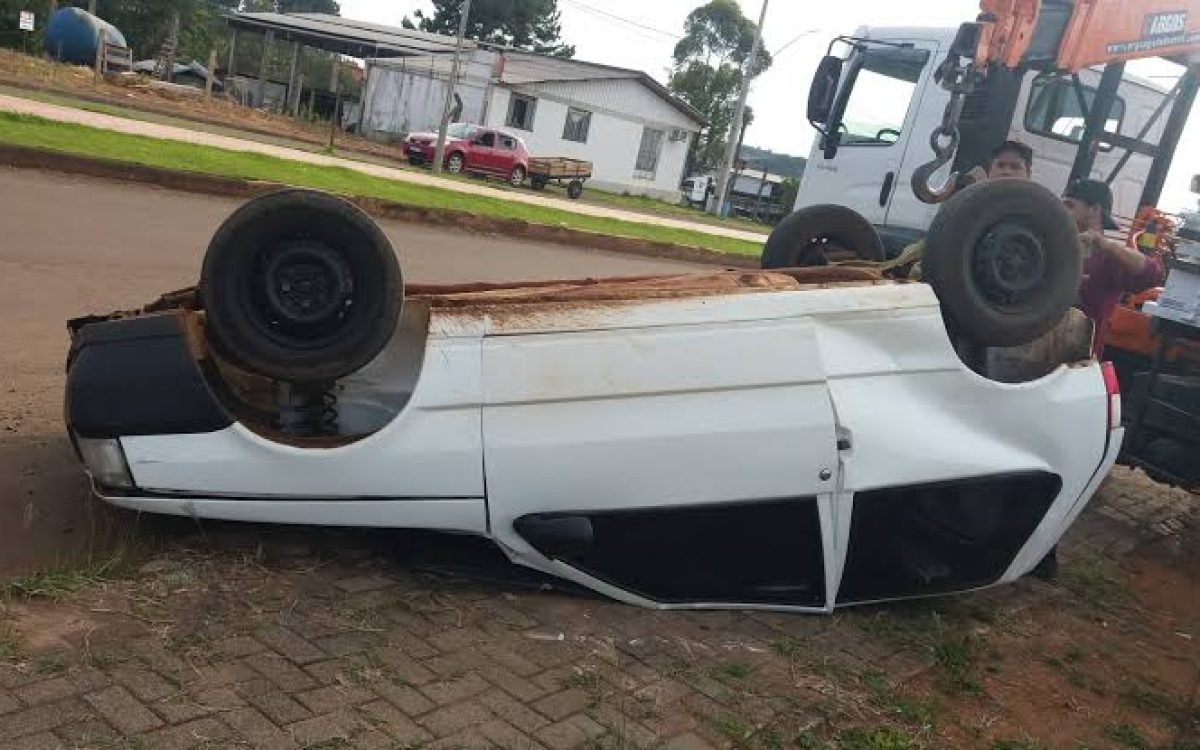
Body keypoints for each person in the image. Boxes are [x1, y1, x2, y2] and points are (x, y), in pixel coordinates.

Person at [883, 139, 1034, 279]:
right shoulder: (971, 200)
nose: (1006, 171)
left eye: (1015, 167)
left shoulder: (1038, 212)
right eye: (1000, 165)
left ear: (1028, 174)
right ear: (989, 171)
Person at [1062, 179, 1165, 355]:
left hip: (1076, 361)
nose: (1062, 211)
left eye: (1069, 206)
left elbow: (1153, 274)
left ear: (1094, 209)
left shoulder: (1109, 258)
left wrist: (1105, 245)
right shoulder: (1055, 247)